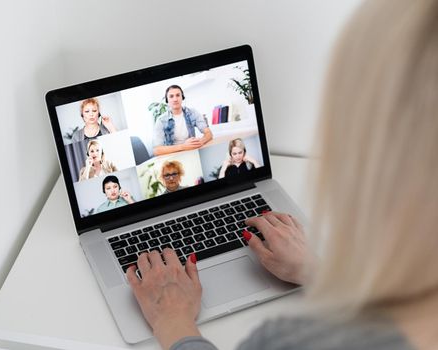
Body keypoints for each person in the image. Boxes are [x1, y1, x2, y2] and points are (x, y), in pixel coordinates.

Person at [125, 0, 438, 349]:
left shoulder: (288, 341)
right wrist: (316, 270)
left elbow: (208, 137)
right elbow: (157, 151)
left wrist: (172, 320)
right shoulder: (160, 122)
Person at [152, 85, 213, 156]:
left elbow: (209, 134)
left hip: (192, 152)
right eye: (171, 96)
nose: (175, 99)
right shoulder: (161, 120)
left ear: (182, 97)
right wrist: (183, 146)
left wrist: (200, 142)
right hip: (173, 156)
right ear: (167, 100)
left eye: (178, 95)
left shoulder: (192, 112)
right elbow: (156, 150)